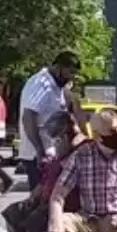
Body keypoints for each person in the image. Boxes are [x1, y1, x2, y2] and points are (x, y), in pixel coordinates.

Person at [0, 112, 85, 232]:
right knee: (14, 213)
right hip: (46, 198)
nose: (54, 143)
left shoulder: (84, 150)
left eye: (58, 138)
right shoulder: (61, 150)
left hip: (67, 204)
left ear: (68, 133)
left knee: (36, 222)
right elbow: (47, 179)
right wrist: (34, 195)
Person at [18, 52, 80, 191]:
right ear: (58, 67)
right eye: (69, 72)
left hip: (52, 151)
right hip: (39, 154)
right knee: (41, 199)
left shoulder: (56, 86)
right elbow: (28, 117)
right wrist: (40, 151)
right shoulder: (40, 84)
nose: (71, 77)